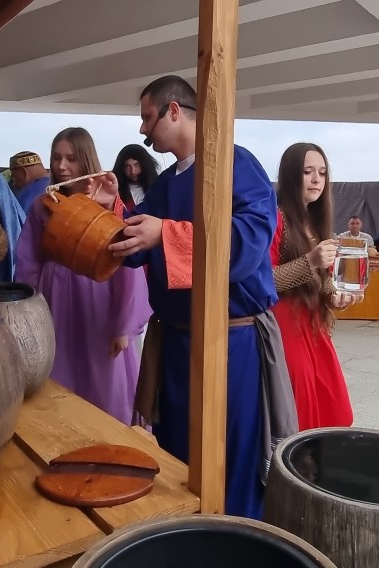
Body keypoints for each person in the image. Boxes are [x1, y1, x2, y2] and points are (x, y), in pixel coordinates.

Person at [99, 75, 290, 519]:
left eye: (147, 117)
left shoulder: (236, 164)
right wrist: (111, 208)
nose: (142, 130)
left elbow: (248, 242)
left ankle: (234, 541)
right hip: (176, 346)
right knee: (177, 456)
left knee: (230, 456)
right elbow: (133, 246)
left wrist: (165, 234)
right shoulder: (166, 183)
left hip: (231, 344)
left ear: (174, 110)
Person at [14, 127, 151, 425]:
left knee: (104, 382)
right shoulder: (42, 206)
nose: (62, 166)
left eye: (71, 158)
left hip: (98, 301)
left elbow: (125, 267)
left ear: (86, 160)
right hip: (53, 302)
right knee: (58, 379)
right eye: (56, 158)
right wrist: (28, 314)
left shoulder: (109, 205)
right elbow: (28, 263)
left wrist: (122, 325)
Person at [270, 142, 357, 431]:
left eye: (321, 172)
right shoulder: (275, 217)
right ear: (290, 175)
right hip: (284, 323)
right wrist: (309, 261)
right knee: (301, 406)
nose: (316, 179)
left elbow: (322, 278)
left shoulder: (315, 221)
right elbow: (263, 279)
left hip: (313, 322)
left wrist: (334, 295)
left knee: (335, 407)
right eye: (308, 171)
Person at [112, 144, 160, 209]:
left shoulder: (159, 186)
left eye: (136, 165)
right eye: (128, 166)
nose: (133, 171)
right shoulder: (115, 193)